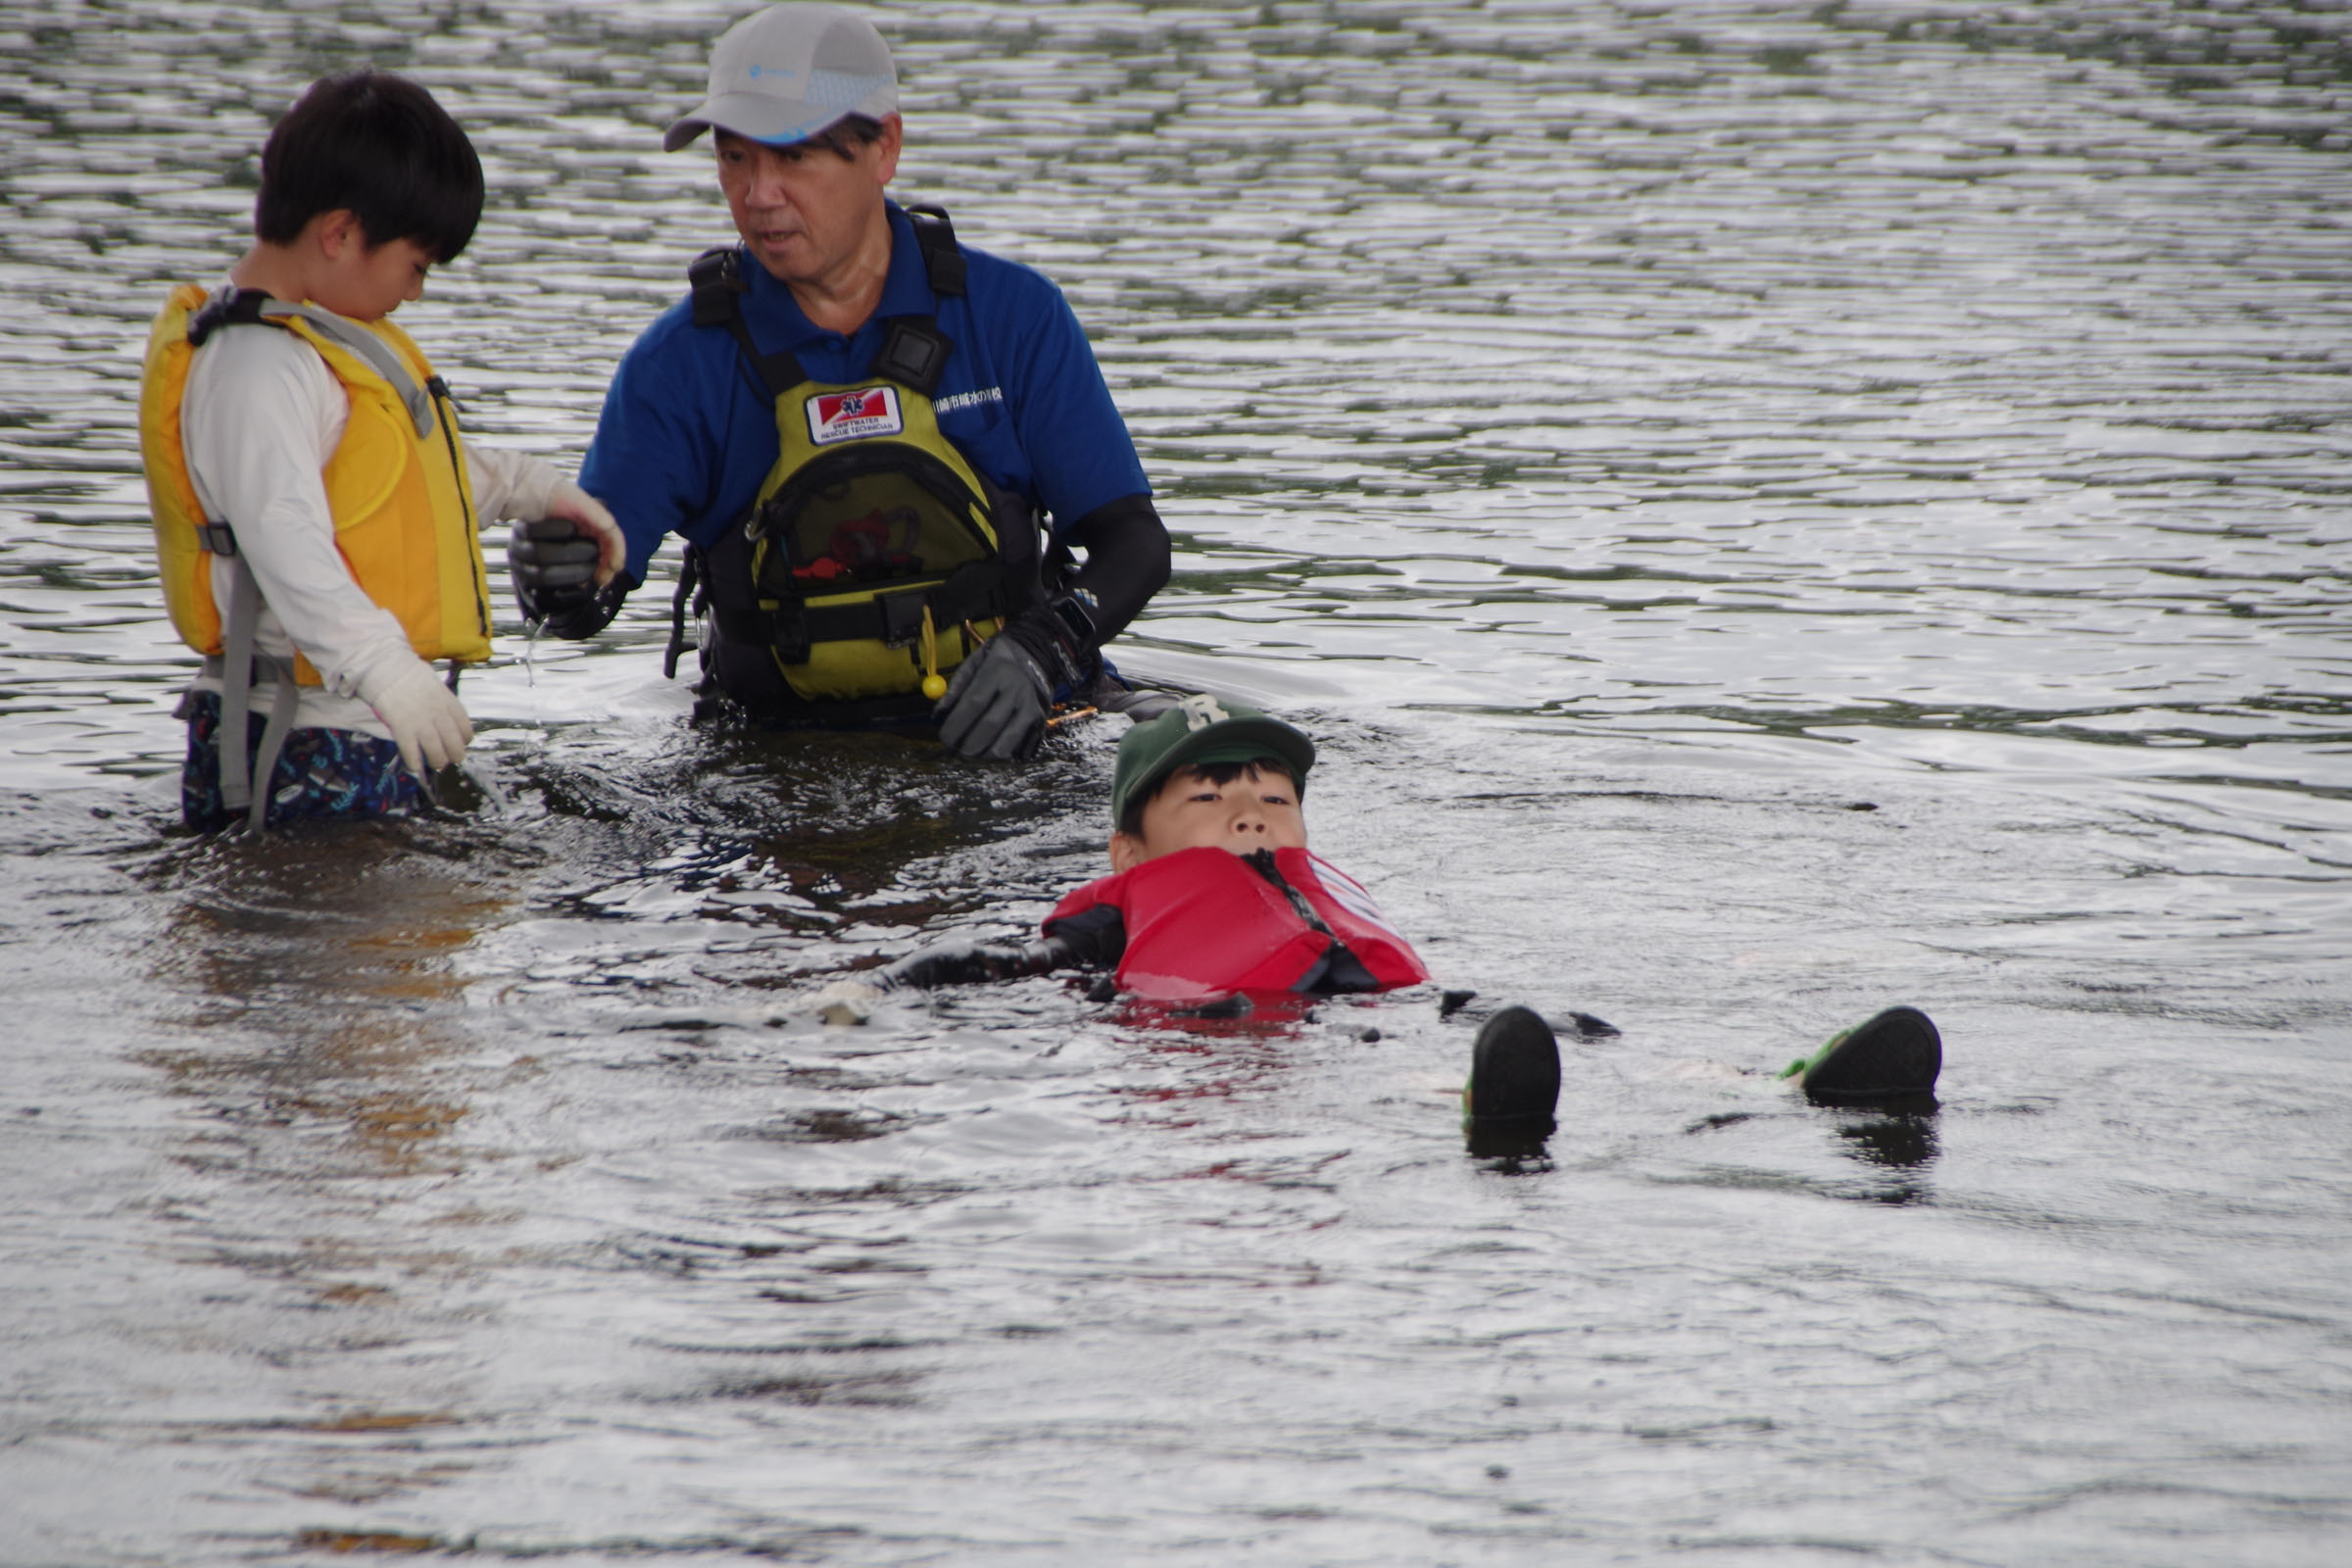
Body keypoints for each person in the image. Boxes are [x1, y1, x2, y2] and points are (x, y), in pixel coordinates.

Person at [818, 697, 1945, 1146]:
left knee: (1537, 1017)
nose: (1249, 811)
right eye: (1207, 798)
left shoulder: (1329, 893)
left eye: (1272, 793)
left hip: (1400, 1012)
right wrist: (872, 990)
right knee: (1415, 1062)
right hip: (1236, 1041)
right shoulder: (1110, 920)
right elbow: (993, 965)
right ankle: (1480, 1110)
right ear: (1131, 850)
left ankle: (1781, 1085)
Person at [530, 3, 1170, 759]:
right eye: (734, 158)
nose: (758, 195)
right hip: (776, 759)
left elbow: (1135, 546)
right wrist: (557, 581)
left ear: (885, 146)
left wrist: (1043, 648)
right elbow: (585, 607)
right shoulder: (679, 364)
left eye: (793, 157)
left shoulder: (1012, 316)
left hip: (1016, 739)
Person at [138, 70, 623, 834]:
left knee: (406, 945)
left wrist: (531, 487)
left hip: (344, 719)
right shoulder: (255, 367)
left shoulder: (314, 344)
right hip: (295, 735)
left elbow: (388, 481)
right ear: (340, 234)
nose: (417, 293)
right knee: (357, 945)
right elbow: (281, 531)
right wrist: (384, 666)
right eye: (417, 266)